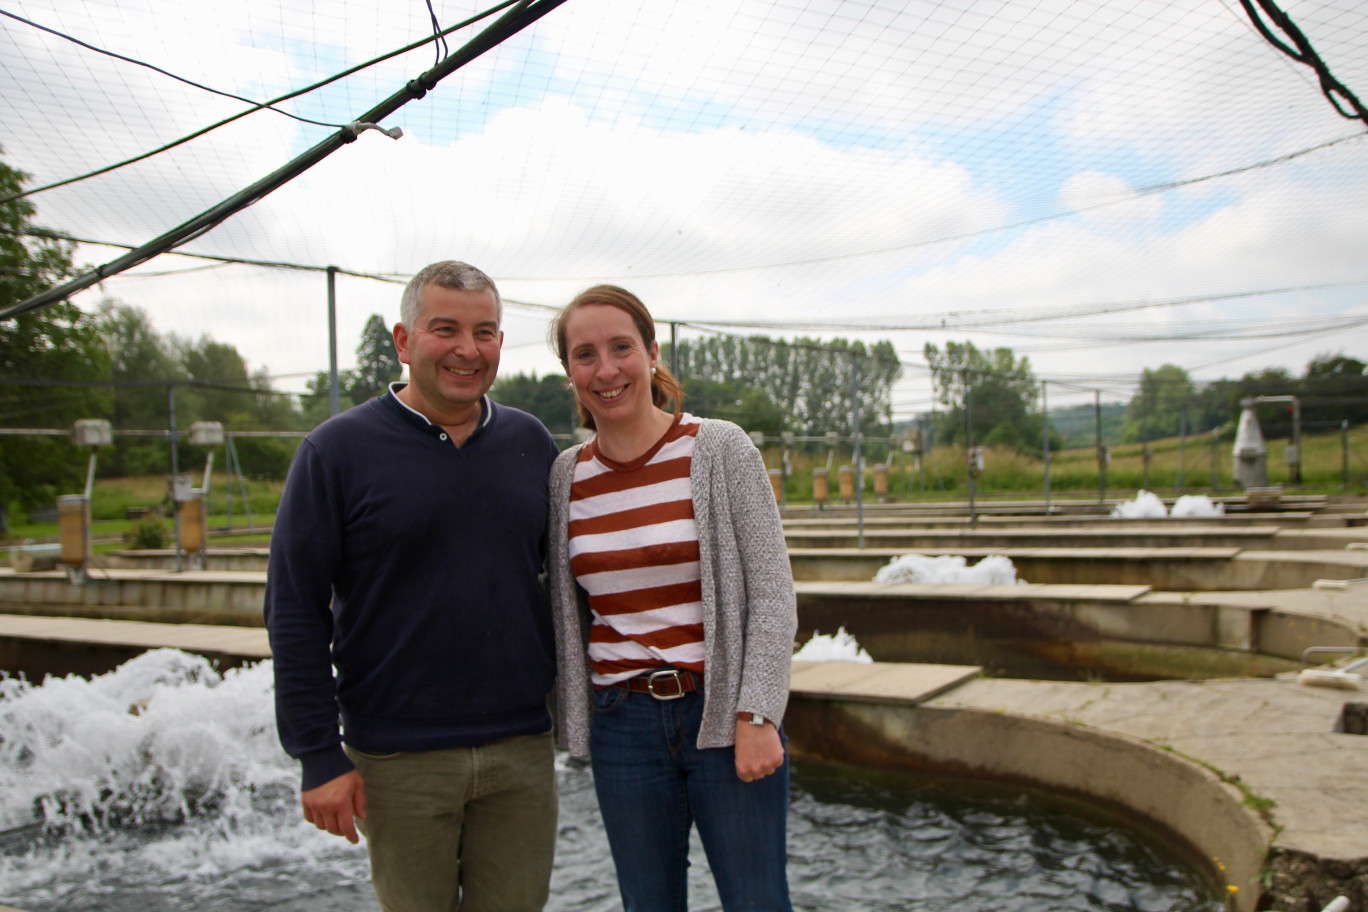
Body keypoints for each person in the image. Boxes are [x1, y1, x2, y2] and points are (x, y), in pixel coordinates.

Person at [264, 260, 561, 912]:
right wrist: (317, 754)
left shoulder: (528, 442)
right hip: (399, 760)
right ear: (404, 341)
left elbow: (565, 581)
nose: (467, 349)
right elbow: (294, 609)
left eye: (484, 332)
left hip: (521, 749)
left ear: (500, 344)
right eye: (444, 329)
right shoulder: (336, 451)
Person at [546, 284, 797, 912]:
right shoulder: (565, 477)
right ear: (569, 371)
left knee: (757, 903)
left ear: (652, 352)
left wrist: (758, 714)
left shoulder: (719, 448)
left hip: (723, 713)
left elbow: (772, 592)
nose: (606, 369)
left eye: (621, 347)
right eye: (585, 354)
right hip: (621, 726)